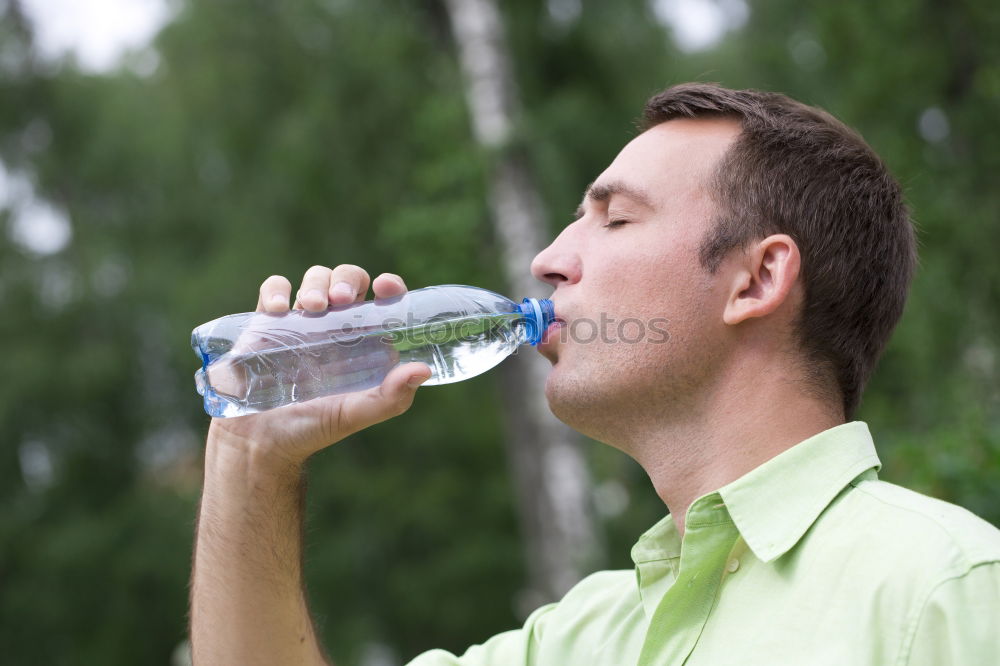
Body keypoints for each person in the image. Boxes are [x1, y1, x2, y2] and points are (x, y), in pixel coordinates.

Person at [189, 83, 1000, 665]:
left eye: (613, 218)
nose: (548, 259)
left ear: (756, 280)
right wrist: (252, 458)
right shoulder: (575, 639)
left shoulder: (946, 592)